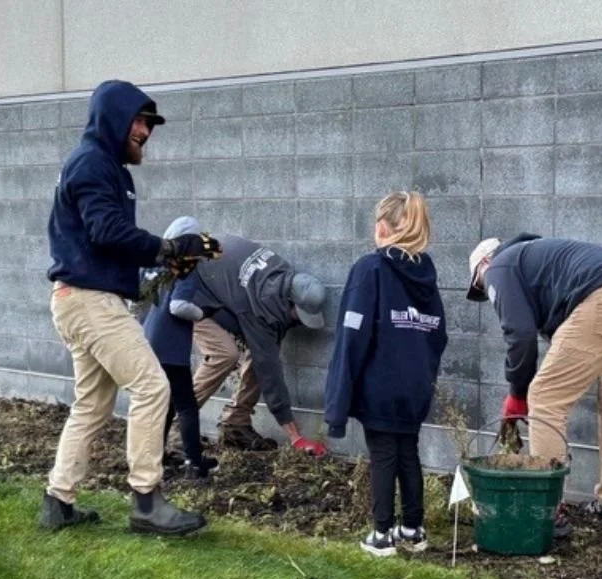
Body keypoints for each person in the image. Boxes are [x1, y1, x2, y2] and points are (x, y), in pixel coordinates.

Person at [42, 79, 210, 537]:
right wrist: (169, 247)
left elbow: (106, 238)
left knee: (92, 406)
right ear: (113, 118)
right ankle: (146, 502)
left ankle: (58, 501)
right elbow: (107, 231)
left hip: (77, 298)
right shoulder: (94, 164)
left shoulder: (100, 166)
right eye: (138, 120)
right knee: (154, 386)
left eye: (150, 124)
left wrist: (166, 259)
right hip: (91, 301)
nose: (145, 131)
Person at [467, 234, 602, 527]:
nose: (487, 293)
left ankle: (548, 510)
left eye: (480, 286)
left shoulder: (499, 267)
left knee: (545, 399)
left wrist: (517, 394)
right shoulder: (537, 259)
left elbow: (520, 337)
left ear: (485, 264)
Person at [324, 192, 447, 556]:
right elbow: (438, 333)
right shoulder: (426, 274)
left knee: (383, 453)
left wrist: (339, 396)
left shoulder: (370, 269)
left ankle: (381, 535)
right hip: (415, 385)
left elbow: (352, 333)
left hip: (380, 382)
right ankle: (413, 528)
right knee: (407, 450)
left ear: (381, 227)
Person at [184, 235, 328, 456]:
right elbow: (270, 372)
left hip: (217, 279)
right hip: (188, 289)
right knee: (225, 354)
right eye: (298, 317)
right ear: (290, 301)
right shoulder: (262, 305)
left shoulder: (283, 276)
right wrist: (295, 436)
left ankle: (236, 424)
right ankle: (173, 427)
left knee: (261, 350)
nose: (298, 322)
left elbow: (265, 352)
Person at [142, 215, 219, 483]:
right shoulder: (186, 269)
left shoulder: (154, 267)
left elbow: (140, 300)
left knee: (163, 404)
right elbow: (178, 306)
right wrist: (202, 313)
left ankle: (156, 456)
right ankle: (194, 464)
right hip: (171, 349)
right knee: (187, 406)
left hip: (148, 343)